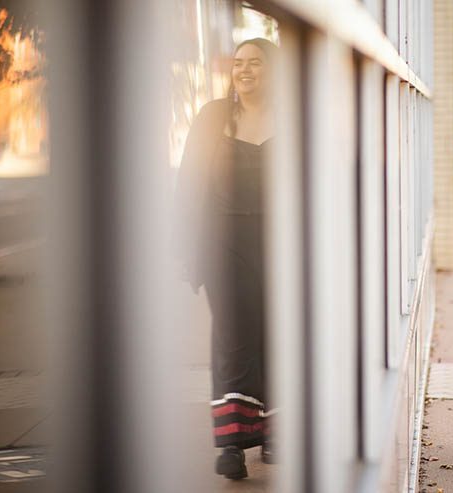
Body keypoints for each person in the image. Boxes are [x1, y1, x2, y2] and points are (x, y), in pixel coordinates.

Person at [176, 38, 277, 480]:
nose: (245, 69)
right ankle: (232, 443)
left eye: (255, 62)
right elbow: (189, 182)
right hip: (224, 241)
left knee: (276, 333)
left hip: (281, 242)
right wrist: (187, 247)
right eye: (238, 63)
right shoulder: (213, 117)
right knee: (234, 337)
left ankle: (275, 431)